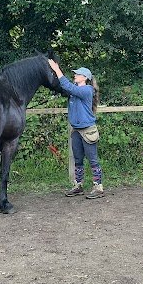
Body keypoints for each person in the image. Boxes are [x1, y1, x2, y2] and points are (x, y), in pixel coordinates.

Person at [48, 59, 104, 199]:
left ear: (85, 78)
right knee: (78, 159)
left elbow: (69, 87)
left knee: (93, 160)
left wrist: (57, 69)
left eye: (78, 74)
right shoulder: (75, 91)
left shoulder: (86, 90)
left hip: (87, 131)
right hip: (76, 131)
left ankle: (98, 187)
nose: (75, 75)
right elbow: (64, 87)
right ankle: (78, 185)